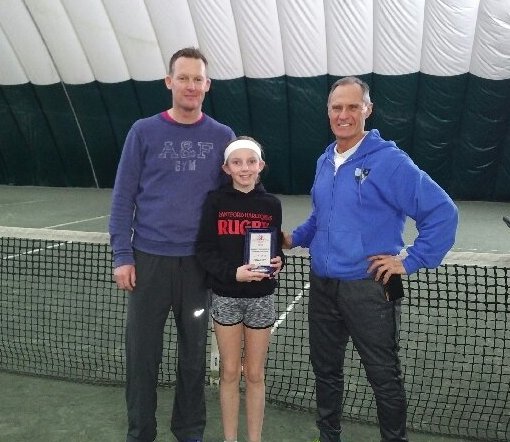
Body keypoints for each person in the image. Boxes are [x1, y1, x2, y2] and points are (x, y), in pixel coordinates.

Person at [283, 76, 458, 442]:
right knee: (325, 371)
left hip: (372, 288)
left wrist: (409, 261)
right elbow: (320, 216)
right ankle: (328, 436)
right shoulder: (325, 159)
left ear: (367, 109)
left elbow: (442, 211)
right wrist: (293, 238)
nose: (343, 114)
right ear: (328, 112)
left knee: (383, 375)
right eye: (336, 107)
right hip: (323, 286)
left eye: (352, 106)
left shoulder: (390, 161)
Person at [109, 47, 235, 442]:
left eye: (198, 79)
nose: (191, 85)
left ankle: (189, 431)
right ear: (169, 82)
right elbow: (123, 197)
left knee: (194, 357)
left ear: (207, 85)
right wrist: (123, 255)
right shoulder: (143, 131)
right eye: (183, 78)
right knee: (141, 356)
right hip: (148, 263)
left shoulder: (223, 137)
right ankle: (140, 433)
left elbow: (234, 201)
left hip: (198, 268)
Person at [195, 137, 284, 442]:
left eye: (250, 162)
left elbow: (274, 248)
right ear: (226, 168)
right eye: (237, 162)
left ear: (260, 166)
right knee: (230, 372)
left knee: (255, 374)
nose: (244, 168)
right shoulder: (215, 202)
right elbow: (204, 250)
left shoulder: (271, 204)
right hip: (226, 297)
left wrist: (278, 262)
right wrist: (233, 273)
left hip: (261, 299)